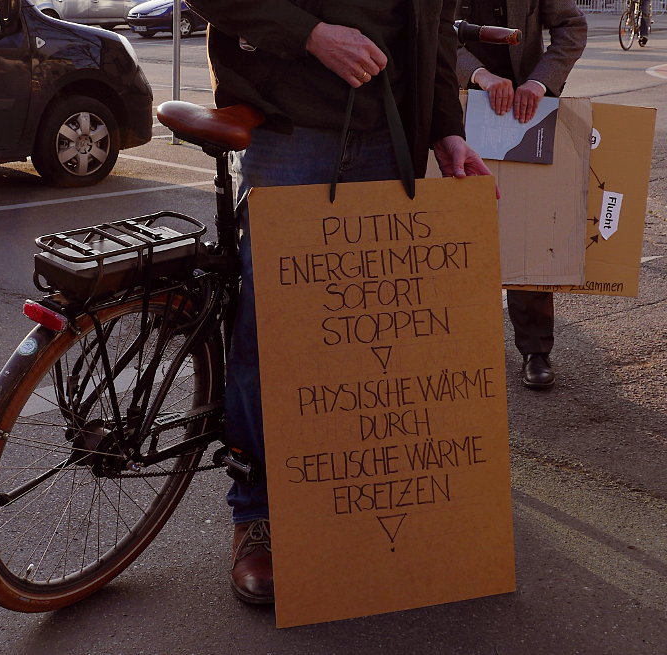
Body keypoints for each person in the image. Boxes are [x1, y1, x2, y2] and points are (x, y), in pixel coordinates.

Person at [185, 0, 494, 605]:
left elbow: (432, 29)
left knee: (379, 342)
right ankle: (257, 512)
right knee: (269, 338)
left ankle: (366, 503)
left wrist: (445, 130)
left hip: (391, 136)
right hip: (290, 130)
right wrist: (311, 35)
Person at [455, 0, 587, 390]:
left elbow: (572, 26)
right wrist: (477, 74)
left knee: (528, 226)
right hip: (450, 104)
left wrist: (540, 82)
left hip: (524, 112)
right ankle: (453, 343)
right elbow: (427, 32)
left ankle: (535, 349)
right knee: (453, 230)